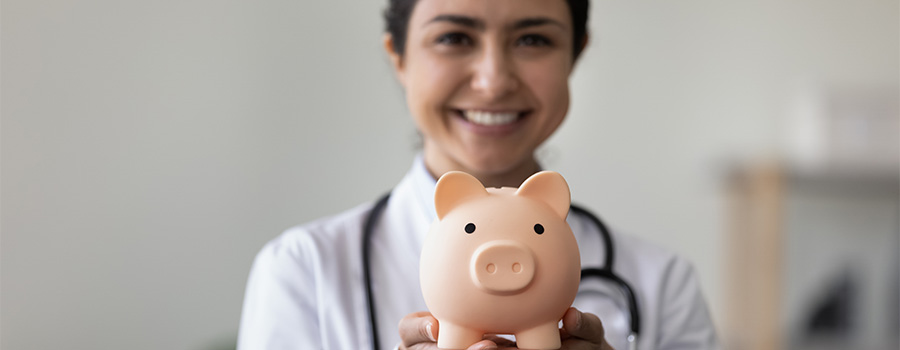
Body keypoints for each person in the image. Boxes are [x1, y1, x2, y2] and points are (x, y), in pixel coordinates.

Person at [237, 0, 719, 349]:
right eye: (453, 38)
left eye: (533, 39)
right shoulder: (301, 269)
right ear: (398, 57)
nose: (492, 80)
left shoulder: (664, 283)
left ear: (576, 54)